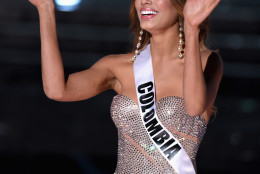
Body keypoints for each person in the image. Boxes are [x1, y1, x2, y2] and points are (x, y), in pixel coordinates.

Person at [29, 0, 223, 173]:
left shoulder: (207, 62)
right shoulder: (117, 66)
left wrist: (192, 28)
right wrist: (45, 8)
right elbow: (57, 90)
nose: (145, 2)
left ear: (180, 4)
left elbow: (195, 107)